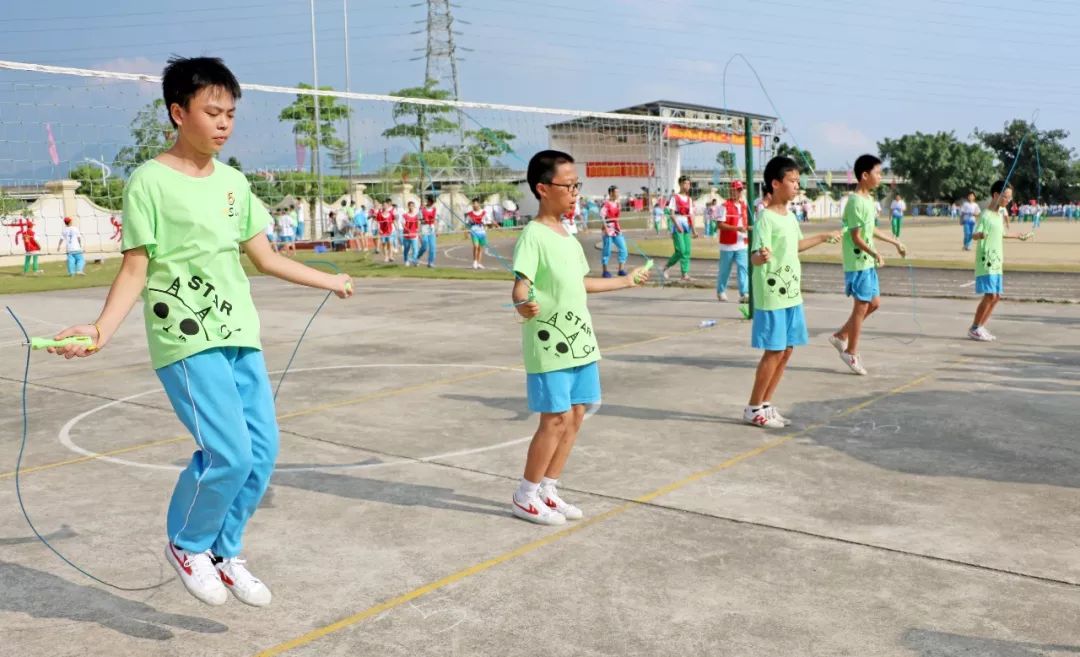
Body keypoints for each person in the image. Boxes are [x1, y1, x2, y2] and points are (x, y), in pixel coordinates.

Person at [47, 56, 352, 608]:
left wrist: (326, 280)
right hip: (186, 338)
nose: (223, 124)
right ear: (178, 111)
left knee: (262, 452)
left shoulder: (234, 183)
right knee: (228, 453)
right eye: (212, 112)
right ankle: (188, 544)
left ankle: (225, 551)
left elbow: (264, 256)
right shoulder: (149, 181)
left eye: (231, 114)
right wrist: (100, 329)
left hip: (240, 334)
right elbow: (136, 267)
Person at [509, 150, 648, 525]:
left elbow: (580, 284)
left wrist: (625, 280)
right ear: (542, 189)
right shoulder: (533, 235)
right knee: (553, 418)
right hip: (549, 342)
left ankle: (548, 489)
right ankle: (525, 494)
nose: (575, 193)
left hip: (581, 340)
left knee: (576, 414)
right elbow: (521, 287)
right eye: (567, 185)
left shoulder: (567, 235)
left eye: (577, 185)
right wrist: (522, 305)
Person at [744, 156, 840, 428]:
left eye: (798, 181)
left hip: (792, 292)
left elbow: (796, 246)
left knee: (786, 351)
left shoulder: (790, 216)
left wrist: (822, 237)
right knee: (773, 351)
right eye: (792, 180)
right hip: (772, 293)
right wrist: (760, 257)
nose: (797, 185)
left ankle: (766, 404)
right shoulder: (765, 217)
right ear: (775, 184)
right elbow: (754, 255)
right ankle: (753, 407)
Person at [829, 155, 907, 376]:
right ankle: (851, 352)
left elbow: (870, 230)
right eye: (878, 173)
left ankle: (840, 336)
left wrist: (895, 242)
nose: (881, 177)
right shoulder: (854, 202)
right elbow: (855, 237)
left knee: (874, 304)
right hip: (858, 262)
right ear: (865, 175)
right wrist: (875, 253)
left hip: (867, 262)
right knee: (861, 306)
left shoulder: (868, 201)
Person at [969, 180, 1031, 341]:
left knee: (996, 296)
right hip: (987, 259)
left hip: (997, 260)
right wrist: (980, 235)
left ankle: (980, 326)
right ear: (996, 195)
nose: (1007, 201)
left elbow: (1001, 233)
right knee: (990, 295)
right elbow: (975, 234)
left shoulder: (999, 214)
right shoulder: (985, 215)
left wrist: (1018, 236)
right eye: (1005, 197)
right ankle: (975, 328)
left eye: (1010, 199)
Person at [660, 175, 698, 282]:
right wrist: (677, 226)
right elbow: (671, 214)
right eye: (685, 183)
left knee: (687, 250)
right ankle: (666, 267)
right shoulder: (675, 198)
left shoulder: (689, 199)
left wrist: (694, 230)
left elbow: (691, 215)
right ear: (680, 184)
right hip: (677, 225)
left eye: (689, 184)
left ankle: (684, 273)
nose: (687, 185)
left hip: (686, 226)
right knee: (680, 250)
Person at [716, 181, 749, 303]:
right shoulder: (724, 206)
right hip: (728, 244)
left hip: (742, 243)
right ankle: (721, 291)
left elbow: (747, 223)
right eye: (736, 189)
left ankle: (744, 293)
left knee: (743, 268)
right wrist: (737, 228)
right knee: (725, 270)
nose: (738, 192)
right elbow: (720, 225)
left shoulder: (745, 206)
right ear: (731, 190)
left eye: (740, 190)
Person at [599, 185, 628, 278]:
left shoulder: (618, 204)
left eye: (618, 192)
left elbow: (617, 217)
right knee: (607, 250)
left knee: (623, 248)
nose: (618, 194)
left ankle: (621, 269)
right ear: (611, 193)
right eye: (616, 192)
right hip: (608, 228)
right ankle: (605, 270)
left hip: (616, 228)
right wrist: (606, 229)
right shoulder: (606, 204)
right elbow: (602, 217)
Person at [415, 194, 439, 268]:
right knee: (424, 246)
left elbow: (435, 220)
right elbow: (418, 221)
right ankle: (417, 258)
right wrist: (418, 231)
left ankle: (430, 262)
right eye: (430, 201)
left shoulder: (435, 209)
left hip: (431, 228)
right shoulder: (422, 209)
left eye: (433, 202)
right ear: (428, 201)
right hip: (424, 228)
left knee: (432, 247)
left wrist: (437, 229)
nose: (431, 203)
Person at [466, 197, 488, 269]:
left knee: (480, 248)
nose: (474, 205)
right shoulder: (470, 214)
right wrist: (468, 232)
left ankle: (479, 263)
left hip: (482, 232)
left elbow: (487, 222)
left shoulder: (484, 212)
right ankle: (475, 262)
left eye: (475, 203)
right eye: (473, 204)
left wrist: (487, 226)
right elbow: (467, 224)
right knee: (476, 246)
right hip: (474, 232)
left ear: (478, 204)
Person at [401, 201, 420, 266]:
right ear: (408, 206)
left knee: (415, 249)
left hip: (414, 235)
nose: (411, 207)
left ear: (414, 207)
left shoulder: (416, 216)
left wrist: (418, 230)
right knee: (406, 249)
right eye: (410, 206)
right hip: (406, 235)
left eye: (413, 206)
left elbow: (418, 224)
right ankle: (406, 260)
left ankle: (415, 260)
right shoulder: (405, 215)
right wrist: (407, 230)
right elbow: (403, 224)